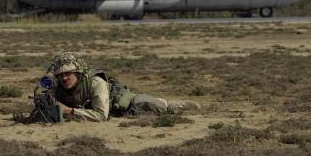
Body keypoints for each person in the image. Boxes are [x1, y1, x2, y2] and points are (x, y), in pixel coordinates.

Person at [47, 52, 200, 122]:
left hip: (127, 106)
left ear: (78, 73)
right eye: (60, 75)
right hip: (106, 111)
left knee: (152, 105)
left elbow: (101, 115)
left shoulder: (95, 82)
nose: (64, 78)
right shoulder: (58, 87)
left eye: (68, 73)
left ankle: (176, 104)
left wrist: (69, 111)